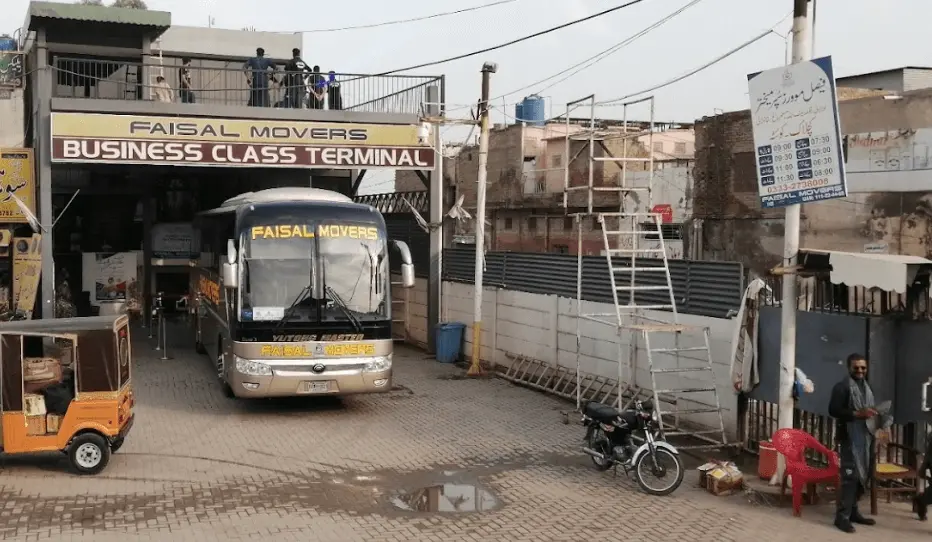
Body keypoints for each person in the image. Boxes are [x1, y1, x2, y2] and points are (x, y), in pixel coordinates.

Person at [828, 353, 893, 533]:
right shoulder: (841, 387)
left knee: (861, 477)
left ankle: (853, 512)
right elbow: (833, 410)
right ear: (849, 368)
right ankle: (841, 517)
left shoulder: (866, 387)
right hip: (850, 438)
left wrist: (880, 418)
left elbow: (870, 410)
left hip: (866, 438)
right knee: (849, 477)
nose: (860, 371)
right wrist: (858, 414)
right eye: (856, 367)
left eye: (863, 367)